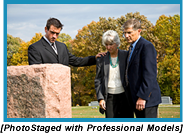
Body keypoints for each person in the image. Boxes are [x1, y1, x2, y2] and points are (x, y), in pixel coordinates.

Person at [123, 19, 161, 118]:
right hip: (135, 99)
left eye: (129, 32)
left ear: (139, 31)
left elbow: (150, 74)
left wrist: (142, 97)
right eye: (125, 33)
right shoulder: (131, 48)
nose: (126, 36)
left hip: (146, 101)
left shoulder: (146, 46)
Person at [28, 17, 103, 66]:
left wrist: (95, 58)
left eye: (57, 33)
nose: (54, 36)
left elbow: (76, 61)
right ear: (45, 29)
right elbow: (37, 73)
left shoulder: (62, 46)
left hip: (64, 87)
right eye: (52, 32)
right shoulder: (35, 48)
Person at [95, 30, 134, 118]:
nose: (108, 47)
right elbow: (98, 80)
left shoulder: (126, 55)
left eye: (111, 44)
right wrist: (100, 98)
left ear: (117, 43)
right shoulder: (101, 59)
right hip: (109, 98)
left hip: (125, 96)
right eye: (106, 44)